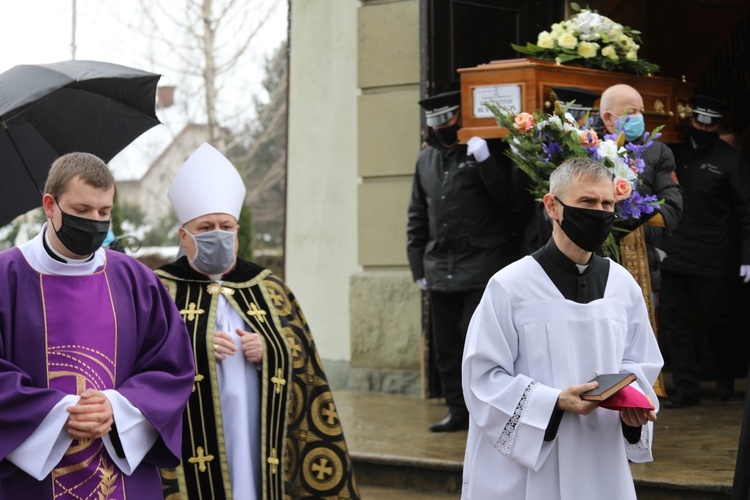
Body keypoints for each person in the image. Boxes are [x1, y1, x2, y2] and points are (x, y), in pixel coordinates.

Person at [156, 143, 360, 499]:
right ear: (183, 235)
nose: (217, 234)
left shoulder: (269, 287)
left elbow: (305, 361)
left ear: (236, 232)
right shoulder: (157, 290)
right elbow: (137, 359)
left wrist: (272, 349)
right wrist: (192, 345)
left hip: (259, 431)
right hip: (191, 441)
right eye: (206, 227)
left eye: (225, 226)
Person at [461, 157, 664, 500]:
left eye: (607, 204)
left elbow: (640, 364)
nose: (599, 212)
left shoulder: (622, 284)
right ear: (552, 206)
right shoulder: (510, 286)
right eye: (587, 202)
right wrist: (553, 402)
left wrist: (633, 404)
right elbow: (482, 379)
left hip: (600, 453)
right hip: (529, 466)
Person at [0, 152, 195, 498]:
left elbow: (172, 368)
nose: (95, 222)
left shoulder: (136, 279)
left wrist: (116, 407)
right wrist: (59, 413)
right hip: (32, 483)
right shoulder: (6, 277)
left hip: (121, 471)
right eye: (82, 211)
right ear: (50, 205)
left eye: (104, 212)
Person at [407, 89, 520, 432]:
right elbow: (417, 214)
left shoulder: (485, 150)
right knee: (446, 346)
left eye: (448, 118)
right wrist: (417, 267)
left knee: (480, 346)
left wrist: (487, 161)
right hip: (440, 268)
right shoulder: (426, 159)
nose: (442, 126)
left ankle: (486, 408)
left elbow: (510, 200)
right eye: (435, 120)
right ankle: (458, 410)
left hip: (482, 264)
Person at [658, 95, 750, 407]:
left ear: (718, 126)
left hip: (713, 257)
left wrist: (747, 255)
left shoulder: (730, 160)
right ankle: (686, 389)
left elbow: (745, 211)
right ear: (690, 120)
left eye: (709, 124)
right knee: (676, 324)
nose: (702, 128)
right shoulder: (675, 150)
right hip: (674, 252)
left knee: (718, 323)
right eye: (698, 122)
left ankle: (725, 380)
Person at [590, 84, 683, 293]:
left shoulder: (658, 151)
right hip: (590, 263)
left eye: (641, 111)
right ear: (607, 118)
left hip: (641, 260)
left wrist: (624, 212)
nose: (640, 117)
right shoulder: (584, 146)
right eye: (632, 112)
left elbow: (672, 208)